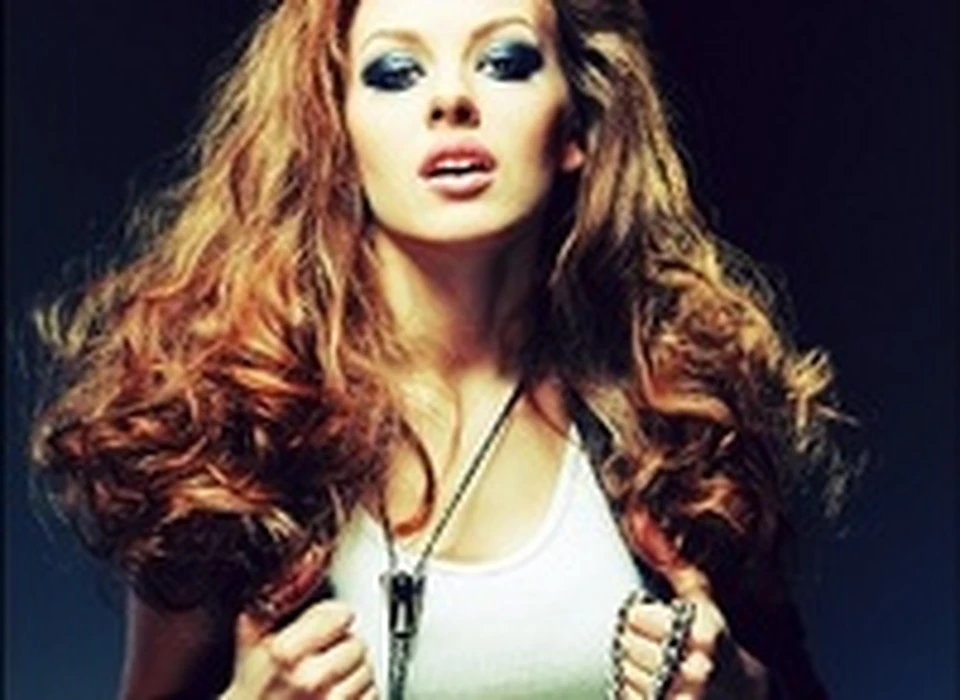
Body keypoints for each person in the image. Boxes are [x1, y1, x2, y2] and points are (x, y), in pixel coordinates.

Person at [31, 0, 848, 697]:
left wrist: (742, 688)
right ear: (334, 132)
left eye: (504, 62)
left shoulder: (676, 421)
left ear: (577, 127)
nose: (453, 98)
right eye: (396, 72)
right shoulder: (235, 435)